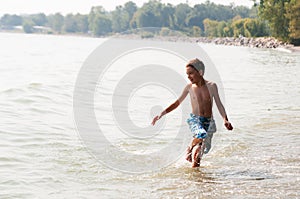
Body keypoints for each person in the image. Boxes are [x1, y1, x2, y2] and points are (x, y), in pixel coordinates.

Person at [151, 58, 233, 167]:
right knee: (201, 135)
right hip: (195, 120)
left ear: (200, 72)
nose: (188, 76)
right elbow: (177, 103)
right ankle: (190, 148)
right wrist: (162, 113)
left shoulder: (212, 86)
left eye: (191, 73)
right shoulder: (189, 88)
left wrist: (225, 119)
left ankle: (196, 175)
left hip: (209, 122)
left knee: (202, 150)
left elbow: (219, 104)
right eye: (187, 74)